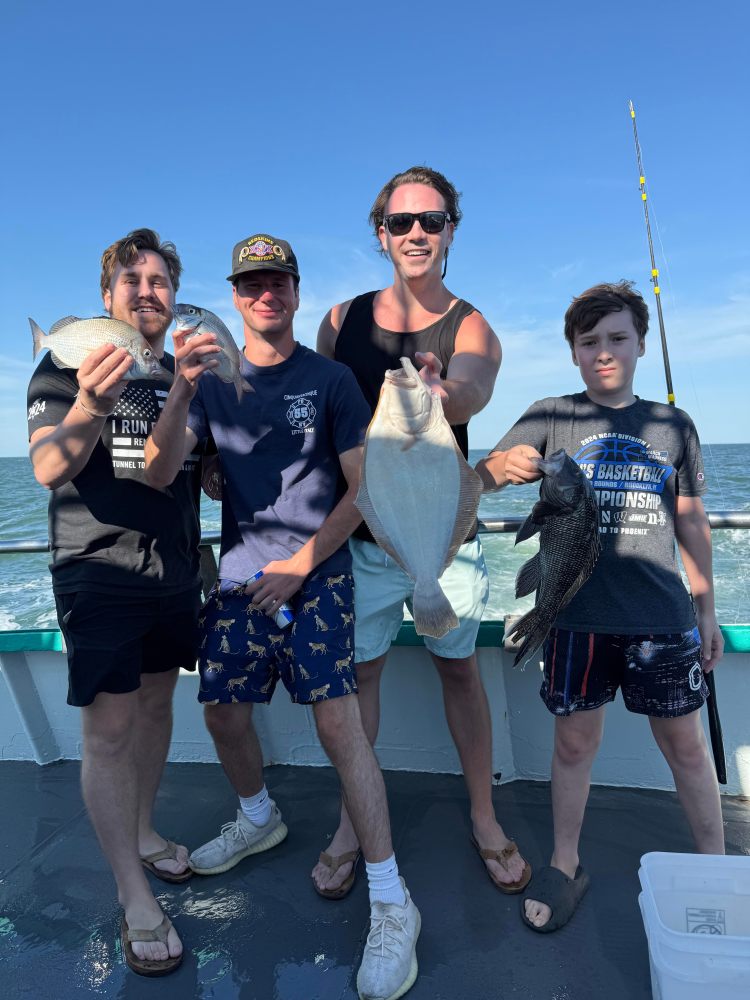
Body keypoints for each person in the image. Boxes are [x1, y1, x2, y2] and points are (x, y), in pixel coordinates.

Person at [144, 233, 421, 1000]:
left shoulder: (330, 380)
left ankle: (394, 899)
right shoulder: (207, 381)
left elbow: (362, 488)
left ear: (296, 292)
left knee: (339, 727)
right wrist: (177, 391)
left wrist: (303, 564)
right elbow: (164, 471)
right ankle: (257, 814)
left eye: (277, 282)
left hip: (318, 575)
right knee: (223, 715)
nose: (265, 295)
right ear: (235, 298)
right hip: (237, 578)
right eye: (251, 284)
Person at [476, 280, 725, 932]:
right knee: (574, 745)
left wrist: (705, 609)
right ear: (574, 353)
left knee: (688, 749)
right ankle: (565, 863)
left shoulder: (673, 426)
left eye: (617, 338)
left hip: (660, 616)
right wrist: (512, 462)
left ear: (640, 344)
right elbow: (491, 467)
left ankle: (717, 865)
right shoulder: (553, 412)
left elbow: (692, 523)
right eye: (590, 342)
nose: (604, 352)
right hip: (577, 617)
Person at [315, 166, 531, 897]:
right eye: (402, 222)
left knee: (459, 669)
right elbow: (316, 416)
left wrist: (445, 392)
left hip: (442, 534)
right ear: (381, 234)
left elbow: (473, 385)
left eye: (431, 221)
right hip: (365, 534)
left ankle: (484, 813)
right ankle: (352, 821)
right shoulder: (339, 321)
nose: (416, 234)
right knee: (361, 674)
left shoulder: (470, 324)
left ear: (449, 231)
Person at [27, 229, 202, 976]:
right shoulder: (64, 360)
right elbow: (45, 465)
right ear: (108, 297)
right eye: (131, 280)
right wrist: (94, 404)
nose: (146, 290)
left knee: (159, 706)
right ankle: (133, 893)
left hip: (174, 566)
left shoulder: (183, 370)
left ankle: (144, 831)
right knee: (109, 730)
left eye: (160, 280)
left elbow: (186, 473)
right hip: (97, 567)